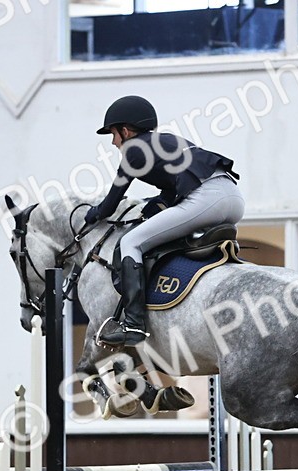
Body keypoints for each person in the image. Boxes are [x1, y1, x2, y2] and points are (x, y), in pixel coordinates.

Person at [85, 95, 244, 347]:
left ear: (126, 131)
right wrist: (152, 206)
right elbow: (170, 193)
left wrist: (93, 213)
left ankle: (134, 324)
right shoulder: (167, 141)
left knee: (131, 243)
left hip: (205, 199)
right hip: (233, 198)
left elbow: (111, 203)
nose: (114, 143)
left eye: (113, 135)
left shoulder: (134, 150)